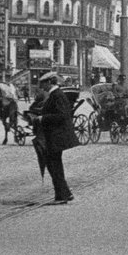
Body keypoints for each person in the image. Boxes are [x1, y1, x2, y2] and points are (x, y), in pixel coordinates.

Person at [28, 71, 78, 204]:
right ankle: (65, 193)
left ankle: (62, 196)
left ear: (50, 82)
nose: (41, 87)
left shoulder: (57, 95)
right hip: (54, 136)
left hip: (56, 136)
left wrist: (42, 118)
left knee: (54, 166)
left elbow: (62, 115)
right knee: (55, 165)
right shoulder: (55, 95)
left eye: (43, 84)